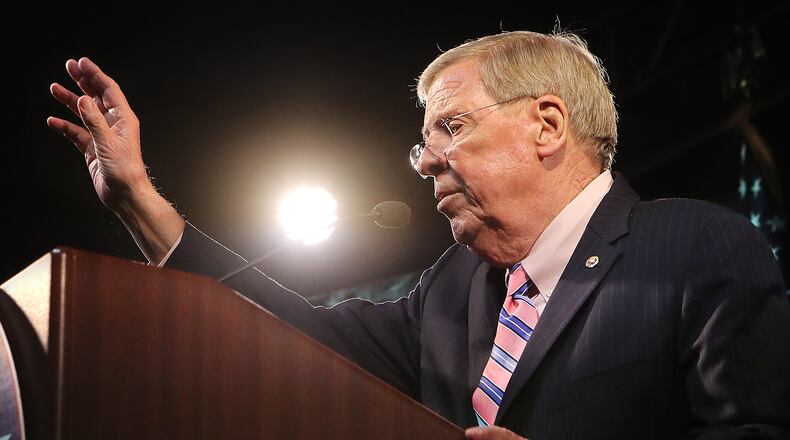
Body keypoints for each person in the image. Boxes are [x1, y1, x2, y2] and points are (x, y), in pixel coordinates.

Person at [47, 30, 790, 439]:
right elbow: (294, 338)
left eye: (452, 128)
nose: (428, 159)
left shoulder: (694, 246)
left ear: (547, 125)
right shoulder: (451, 290)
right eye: (422, 142)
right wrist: (139, 202)